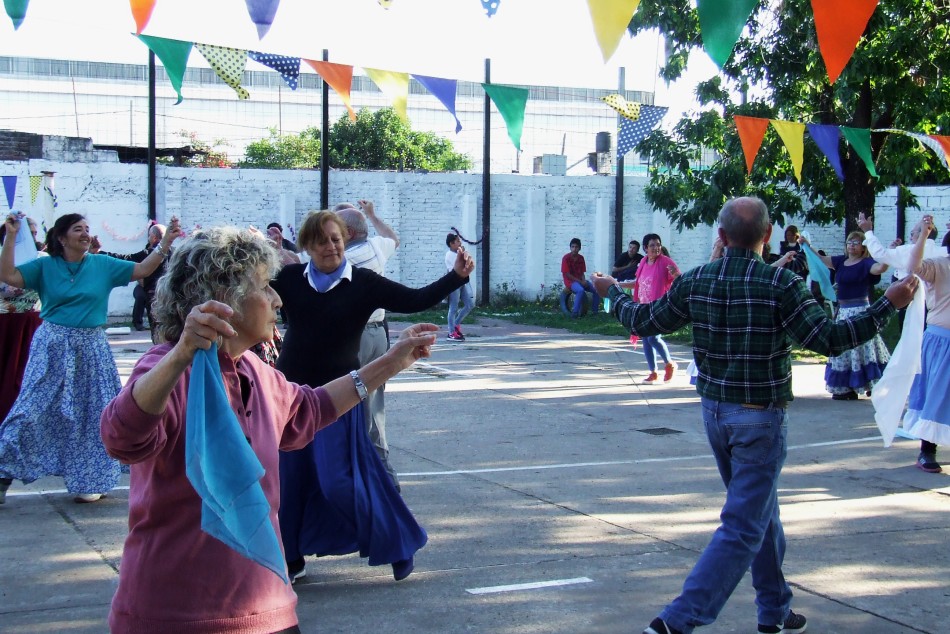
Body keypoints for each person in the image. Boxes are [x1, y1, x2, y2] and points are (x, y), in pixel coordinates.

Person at [592, 196, 918, 634]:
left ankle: (774, 608)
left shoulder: (697, 281)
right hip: (759, 420)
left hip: (716, 416)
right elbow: (830, 337)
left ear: (721, 237)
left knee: (761, 511)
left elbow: (644, 319)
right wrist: (888, 304)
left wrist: (611, 292)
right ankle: (676, 622)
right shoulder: (781, 285)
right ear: (767, 236)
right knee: (744, 525)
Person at [99, 226, 439, 633]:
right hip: (176, 614)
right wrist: (181, 354)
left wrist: (394, 360)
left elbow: (309, 409)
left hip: (266, 608)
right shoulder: (166, 369)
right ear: (224, 299)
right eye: (265, 287)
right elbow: (122, 436)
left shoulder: (256, 371)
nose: (278, 299)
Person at [272, 210, 473, 583]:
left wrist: (456, 277)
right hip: (289, 398)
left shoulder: (363, 283)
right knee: (288, 485)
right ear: (307, 246)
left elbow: (415, 299)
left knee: (339, 482)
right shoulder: (286, 279)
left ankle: (398, 542)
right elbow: (246, 292)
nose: (331, 246)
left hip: (339, 399)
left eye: (336, 238)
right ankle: (291, 559)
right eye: (322, 241)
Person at [0, 213, 179, 504]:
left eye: (87, 229)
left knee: (94, 412)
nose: (85, 234)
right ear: (61, 238)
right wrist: (10, 237)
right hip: (52, 346)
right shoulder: (45, 266)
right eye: (77, 229)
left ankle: (91, 478)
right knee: (30, 408)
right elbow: (8, 275)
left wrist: (166, 241)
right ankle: (3, 471)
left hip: (91, 346)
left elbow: (145, 269)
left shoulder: (102, 265)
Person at [337, 200, 402, 488]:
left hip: (358, 335)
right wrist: (374, 215)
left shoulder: (346, 261)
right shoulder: (376, 248)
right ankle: (379, 473)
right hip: (376, 333)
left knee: (355, 401)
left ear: (348, 232)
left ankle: (379, 476)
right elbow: (393, 238)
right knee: (371, 402)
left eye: (336, 230)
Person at [806, 230, 890, 400]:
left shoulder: (867, 263)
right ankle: (845, 388)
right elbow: (822, 260)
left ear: (863, 247)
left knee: (864, 348)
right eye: (850, 243)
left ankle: (870, 383)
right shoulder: (841, 262)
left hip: (860, 310)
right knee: (843, 349)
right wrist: (807, 245)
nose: (852, 246)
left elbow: (880, 267)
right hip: (843, 312)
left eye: (856, 243)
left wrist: (888, 255)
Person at [901, 215, 950, 473]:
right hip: (941, 341)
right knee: (936, 394)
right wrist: (924, 235)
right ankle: (927, 451)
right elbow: (913, 265)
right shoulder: (940, 265)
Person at [0, 220, 43, 430]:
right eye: (29, 233)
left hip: (32, 326)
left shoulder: (40, 261)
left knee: (28, 376)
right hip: (4, 326)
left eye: (34, 233)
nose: (33, 238)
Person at [93, 223, 168, 336]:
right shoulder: (176, 253)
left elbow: (124, 259)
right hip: (169, 296)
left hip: (154, 295)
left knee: (157, 330)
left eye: (149, 236)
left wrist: (99, 253)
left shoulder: (149, 253)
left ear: (153, 237)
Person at [633, 233, 680, 383]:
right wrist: (616, 284)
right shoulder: (643, 263)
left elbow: (680, 279)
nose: (656, 247)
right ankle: (653, 372)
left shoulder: (666, 261)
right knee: (646, 340)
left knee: (653, 337)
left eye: (658, 244)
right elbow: (638, 283)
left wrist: (676, 275)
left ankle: (669, 363)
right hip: (644, 307)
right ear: (645, 248)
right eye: (652, 245)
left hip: (659, 306)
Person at [445, 232, 475, 341]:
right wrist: (463, 255)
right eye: (457, 241)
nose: (460, 243)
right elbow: (459, 267)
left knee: (469, 304)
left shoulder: (459, 253)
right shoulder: (450, 255)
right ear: (452, 244)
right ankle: (451, 332)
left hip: (462, 282)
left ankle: (456, 324)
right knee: (453, 307)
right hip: (453, 283)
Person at [560, 237, 599, 318]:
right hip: (570, 281)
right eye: (572, 247)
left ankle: (595, 312)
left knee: (596, 290)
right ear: (570, 248)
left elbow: (582, 272)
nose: (574, 249)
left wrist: (584, 280)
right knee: (580, 290)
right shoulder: (566, 258)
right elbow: (567, 274)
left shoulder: (581, 258)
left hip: (580, 280)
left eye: (576, 247)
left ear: (579, 248)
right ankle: (574, 313)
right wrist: (580, 282)